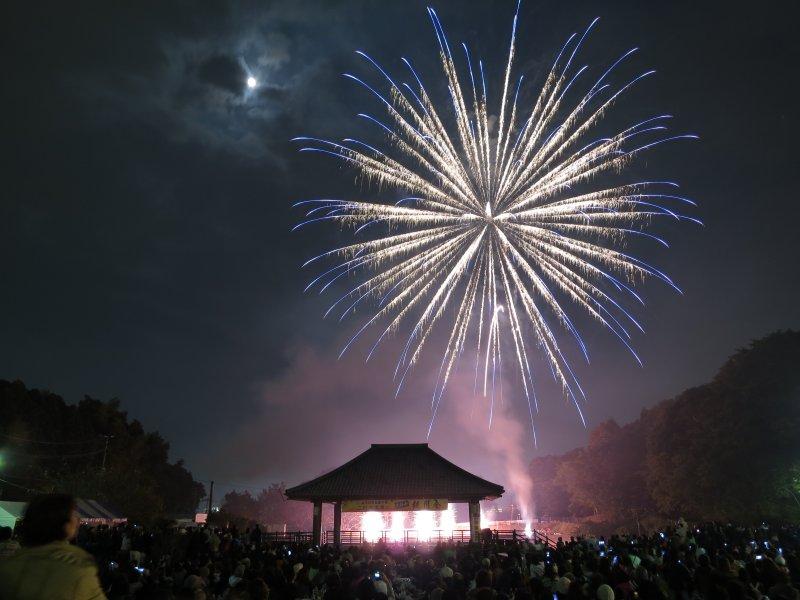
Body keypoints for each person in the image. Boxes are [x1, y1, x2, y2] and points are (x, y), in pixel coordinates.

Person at [0, 494, 107, 599]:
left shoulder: (8, 566)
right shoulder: (78, 568)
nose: (77, 520)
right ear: (63, 524)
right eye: (73, 514)